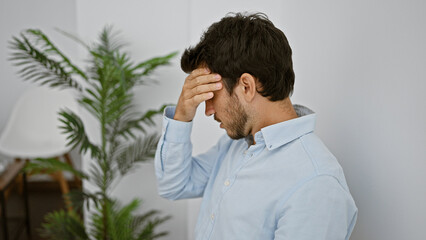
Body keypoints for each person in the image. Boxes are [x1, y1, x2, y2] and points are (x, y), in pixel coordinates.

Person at [154, 12, 357, 240]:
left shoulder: (316, 185)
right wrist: (182, 116)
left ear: (247, 87)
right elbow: (174, 185)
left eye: (212, 95)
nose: (208, 110)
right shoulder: (236, 145)